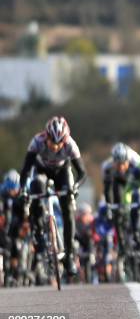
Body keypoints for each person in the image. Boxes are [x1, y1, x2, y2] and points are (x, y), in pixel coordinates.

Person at [19, 116, 87, 276]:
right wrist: (24, 189)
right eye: (52, 143)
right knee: (36, 189)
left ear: (65, 140)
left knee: (68, 209)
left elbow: (82, 173)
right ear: (46, 137)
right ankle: (38, 233)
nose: (55, 147)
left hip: (62, 172)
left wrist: (75, 187)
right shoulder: (36, 142)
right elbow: (26, 170)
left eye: (59, 144)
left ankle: (69, 256)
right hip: (41, 171)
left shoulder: (71, 144)